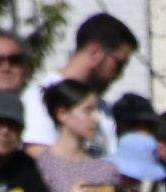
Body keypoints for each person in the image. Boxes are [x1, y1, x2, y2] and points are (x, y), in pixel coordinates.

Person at [22, 12, 138, 154]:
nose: (119, 75)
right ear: (96, 52)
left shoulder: (102, 108)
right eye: (119, 64)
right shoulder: (40, 98)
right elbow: (39, 162)